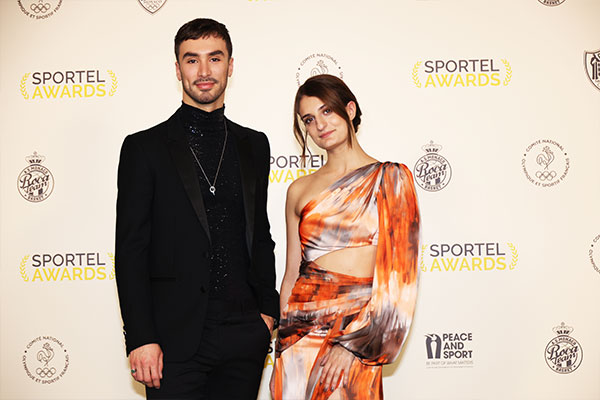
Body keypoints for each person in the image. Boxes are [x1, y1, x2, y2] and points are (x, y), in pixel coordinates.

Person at [115, 18, 278, 400]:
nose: (204, 72)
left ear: (230, 66)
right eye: (192, 60)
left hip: (244, 335)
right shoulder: (144, 148)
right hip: (174, 340)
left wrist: (266, 314)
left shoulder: (255, 145)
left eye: (214, 58)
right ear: (177, 69)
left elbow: (261, 234)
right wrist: (141, 338)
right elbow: (130, 250)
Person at [270, 74, 420, 400]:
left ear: (349, 109)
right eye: (309, 119)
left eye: (327, 111)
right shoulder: (298, 189)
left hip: (358, 331)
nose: (320, 125)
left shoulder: (391, 178)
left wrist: (354, 346)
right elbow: (292, 273)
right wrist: (281, 352)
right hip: (300, 331)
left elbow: (400, 279)